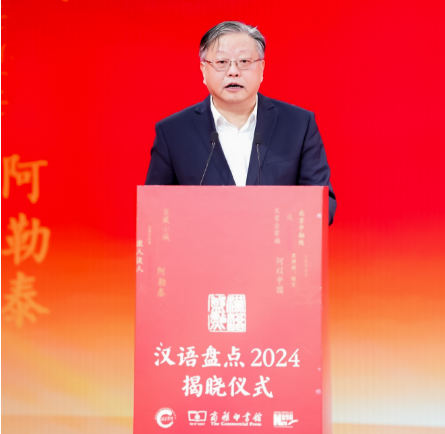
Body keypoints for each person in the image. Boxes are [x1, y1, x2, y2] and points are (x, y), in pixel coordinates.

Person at [145, 21, 337, 224]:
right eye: (221, 62)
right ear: (203, 70)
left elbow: (323, 202)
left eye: (244, 61)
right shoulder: (173, 132)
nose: (233, 71)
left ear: (261, 68)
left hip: (275, 241)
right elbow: (155, 208)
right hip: (204, 243)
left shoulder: (298, 125)